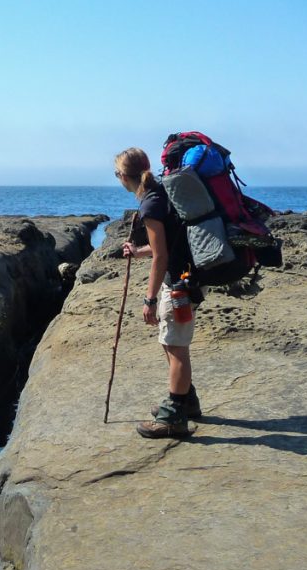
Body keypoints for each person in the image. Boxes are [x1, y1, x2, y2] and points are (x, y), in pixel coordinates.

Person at [115, 147, 203, 439]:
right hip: (188, 276)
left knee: (176, 346)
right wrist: (140, 250)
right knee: (171, 343)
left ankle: (173, 418)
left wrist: (149, 299)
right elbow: (165, 246)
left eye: (117, 174)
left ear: (124, 176)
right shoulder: (162, 193)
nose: (117, 178)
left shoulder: (151, 204)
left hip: (179, 283)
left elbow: (162, 257)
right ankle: (186, 402)